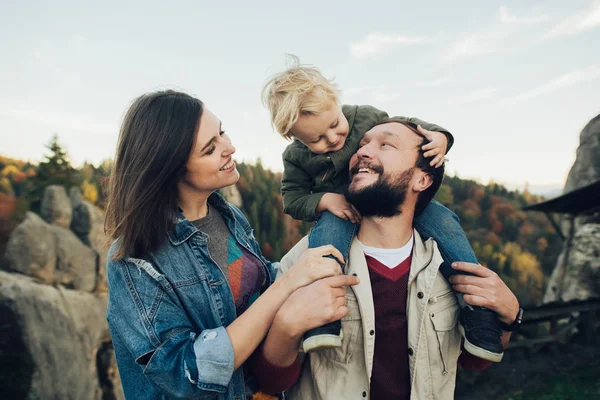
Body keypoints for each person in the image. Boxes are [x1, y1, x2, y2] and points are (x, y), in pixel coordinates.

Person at [103, 90, 359, 400]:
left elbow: (257, 285)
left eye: (221, 132)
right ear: (169, 169)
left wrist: (324, 243)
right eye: (210, 149)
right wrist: (288, 283)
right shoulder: (135, 261)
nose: (230, 147)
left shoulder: (227, 216)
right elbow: (187, 376)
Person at [252, 119, 522, 399]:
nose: (362, 152)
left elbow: (475, 361)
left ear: (422, 179)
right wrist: (285, 326)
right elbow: (273, 385)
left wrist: (509, 316)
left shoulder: (448, 263)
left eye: (386, 144)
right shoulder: (306, 260)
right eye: (362, 144)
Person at [262, 57, 504, 361]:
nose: (333, 139)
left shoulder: (366, 117)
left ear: (337, 104)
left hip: (391, 196)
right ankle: (325, 314)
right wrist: (325, 200)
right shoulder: (295, 157)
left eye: (335, 126)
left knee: (444, 221)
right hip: (343, 208)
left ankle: (477, 307)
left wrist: (440, 137)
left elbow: (409, 128)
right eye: (317, 140)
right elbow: (292, 198)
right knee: (327, 240)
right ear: (296, 138)